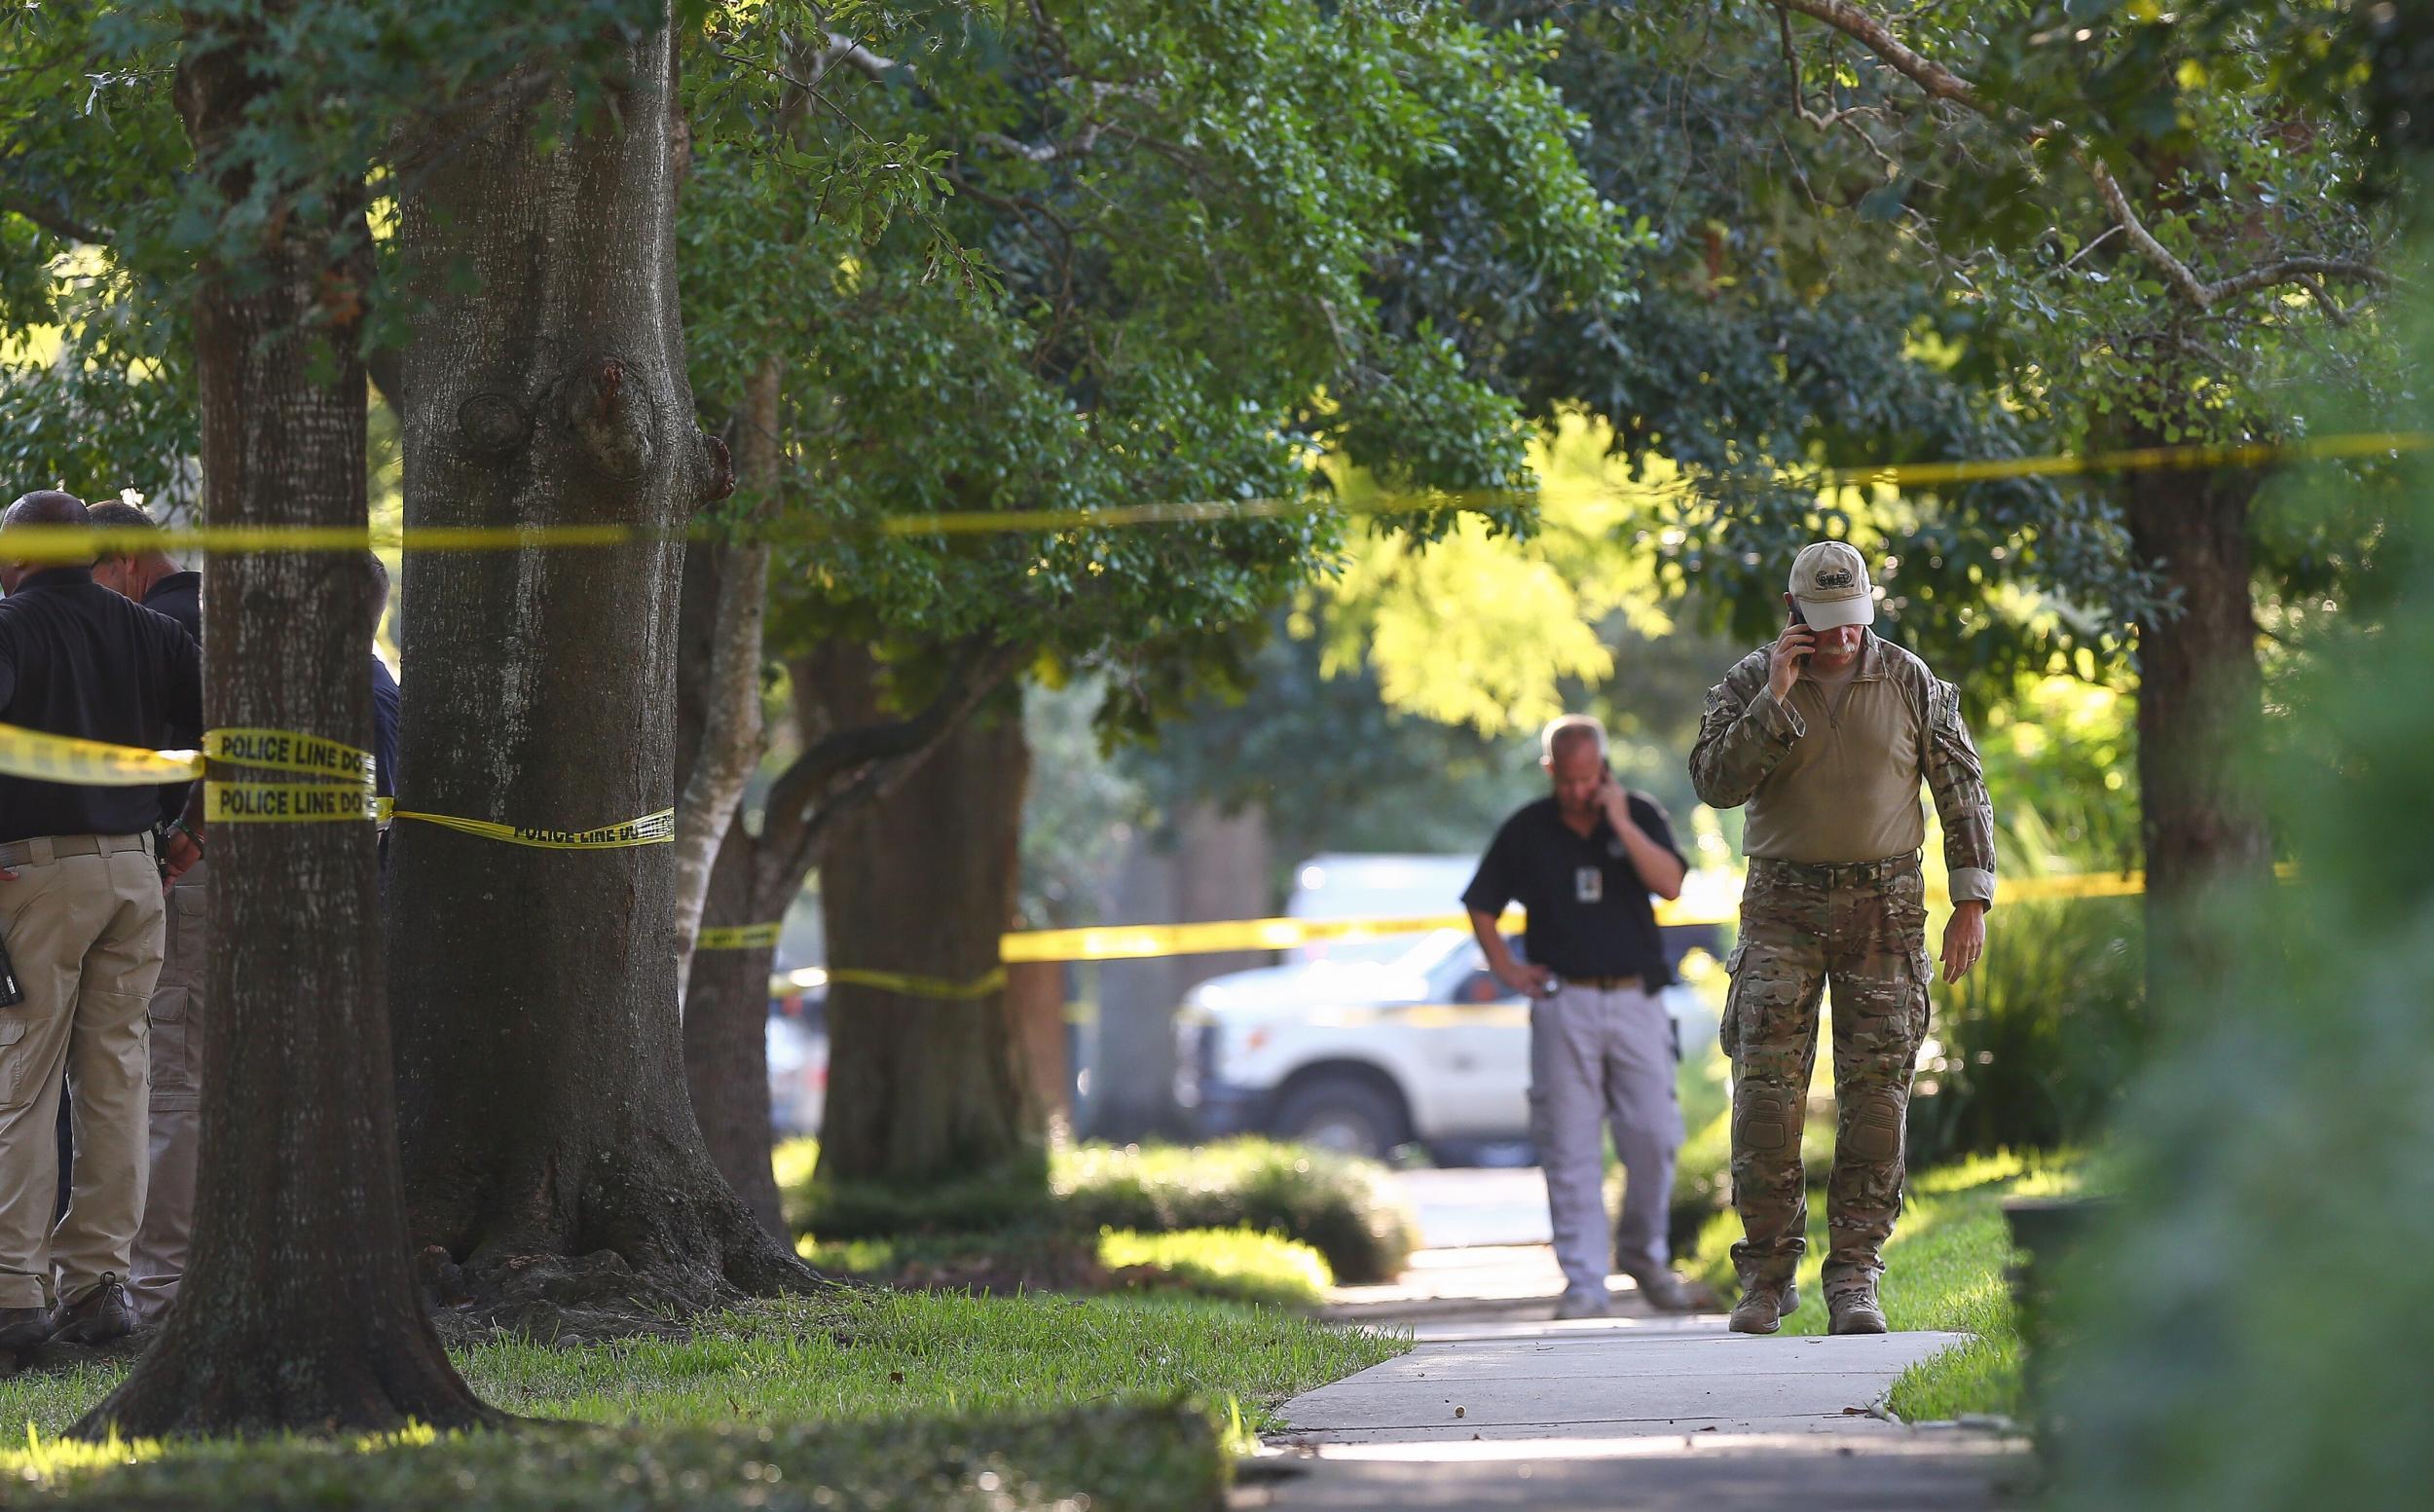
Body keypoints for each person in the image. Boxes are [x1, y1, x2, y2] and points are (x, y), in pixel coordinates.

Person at [1688, 540, 1996, 1337]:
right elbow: (1715, 782)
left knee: (1876, 1098)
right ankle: (1765, 1274)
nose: (1842, 638)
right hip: (1780, 907)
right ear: (1793, 614)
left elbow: (1960, 784)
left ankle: (1856, 1274)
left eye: (1853, 621)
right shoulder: (1753, 680)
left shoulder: (1907, 678)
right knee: (1765, 1096)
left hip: (1884, 906)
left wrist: (1972, 900)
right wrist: (1774, 701)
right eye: (1824, 624)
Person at [0, 491, 203, 1347]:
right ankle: (99, 1285)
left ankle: (13, 1292)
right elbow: (214, 733)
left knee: (22, 1078)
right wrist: (190, 826)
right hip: (135, 868)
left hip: (32, 871)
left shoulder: (10, 625)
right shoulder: (151, 631)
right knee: (116, 1077)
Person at [1463, 714, 1697, 1319]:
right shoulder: (1528, 829)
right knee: (1568, 1145)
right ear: (1550, 771)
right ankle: (1585, 1283)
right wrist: (1507, 971)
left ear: (1605, 770)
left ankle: (1644, 1256)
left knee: (1653, 1135)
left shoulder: (1638, 812)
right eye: (1567, 780)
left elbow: (1670, 884)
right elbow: (1481, 904)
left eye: (1589, 778)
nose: (1578, 791)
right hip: (1562, 1001)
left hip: (1636, 999)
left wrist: (1618, 818)